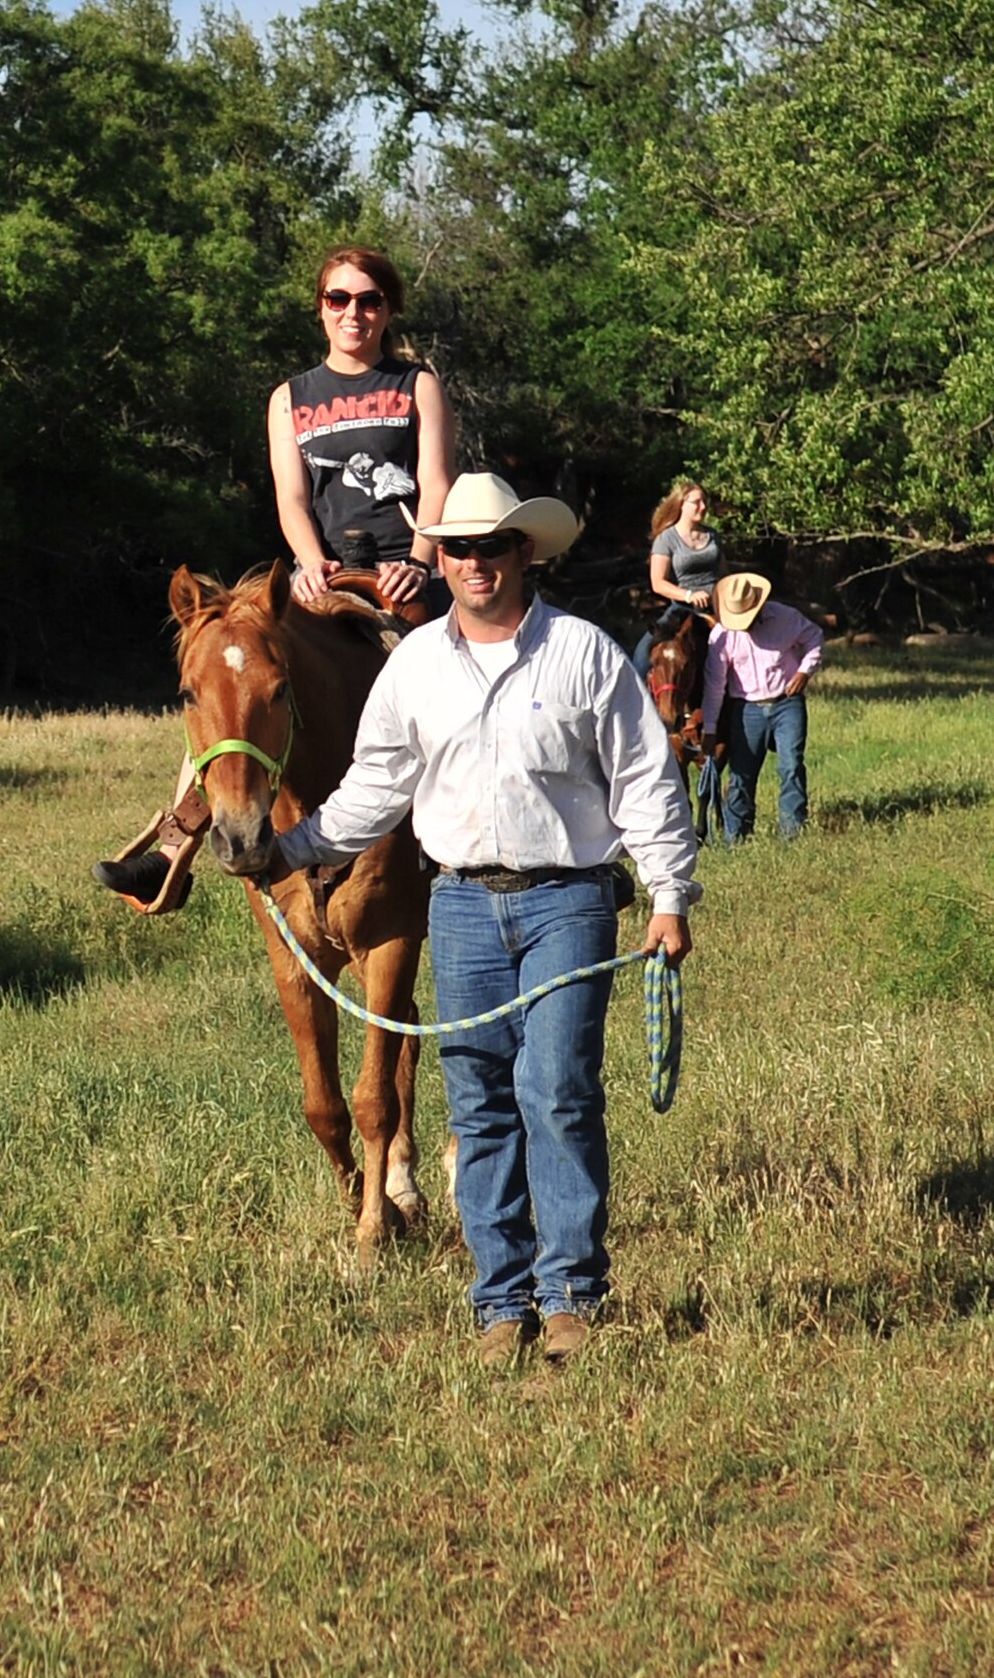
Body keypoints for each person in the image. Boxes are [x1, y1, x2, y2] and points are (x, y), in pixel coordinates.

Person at [263, 473, 700, 1378]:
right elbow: (375, 787)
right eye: (456, 548)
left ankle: (572, 1293)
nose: (472, 563)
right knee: (481, 1103)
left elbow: (645, 779)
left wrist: (667, 896)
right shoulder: (415, 665)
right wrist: (291, 848)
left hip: (570, 899)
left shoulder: (582, 655)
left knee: (558, 1092)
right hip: (458, 902)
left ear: (524, 554)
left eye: (490, 547)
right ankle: (502, 1301)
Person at [92, 246, 457, 913]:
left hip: (404, 574)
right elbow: (292, 498)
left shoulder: (416, 384)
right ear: (320, 308)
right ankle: (173, 850)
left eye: (369, 300)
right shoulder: (291, 397)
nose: (354, 312)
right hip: (319, 577)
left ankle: (457, 841)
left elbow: (436, 483)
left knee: (454, 693)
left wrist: (422, 560)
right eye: (338, 299)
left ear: (388, 310)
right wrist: (309, 560)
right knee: (229, 678)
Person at [699, 573, 824, 841]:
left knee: (791, 765)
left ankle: (792, 832)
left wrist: (804, 671)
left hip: (785, 702)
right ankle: (737, 836)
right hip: (746, 708)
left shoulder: (786, 617)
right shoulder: (722, 636)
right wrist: (709, 728)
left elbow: (814, 637)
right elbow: (714, 684)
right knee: (741, 774)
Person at [631, 480, 726, 677]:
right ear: (682, 504)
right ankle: (637, 695)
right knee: (642, 655)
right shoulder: (666, 539)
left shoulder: (713, 535)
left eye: (704, 502)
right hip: (684, 608)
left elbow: (724, 573)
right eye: (697, 502)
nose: (703, 506)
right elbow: (658, 583)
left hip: (719, 606)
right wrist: (689, 595)